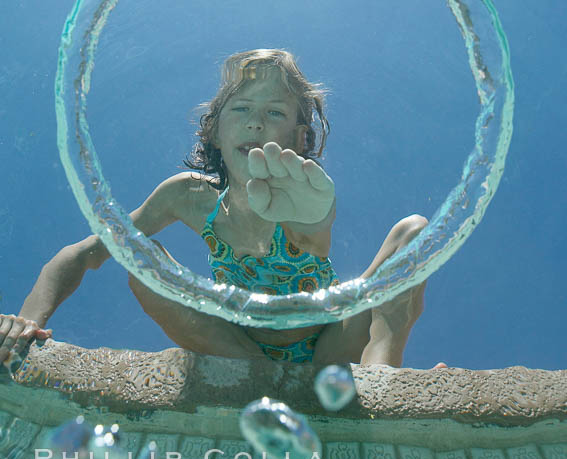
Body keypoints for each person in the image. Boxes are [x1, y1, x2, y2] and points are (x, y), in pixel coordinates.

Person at [0, 48, 436, 369]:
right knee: (139, 258)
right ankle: (259, 376)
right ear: (213, 130)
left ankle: (381, 375)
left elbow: (313, 236)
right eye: (241, 108)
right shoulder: (188, 195)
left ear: (300, 139)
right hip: (237, 347)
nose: (255, 121)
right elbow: (82, 253)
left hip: (329, 346)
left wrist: (316, 220)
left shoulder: (300, 196)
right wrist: (25, 322)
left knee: (413, 231)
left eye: (275, 112)